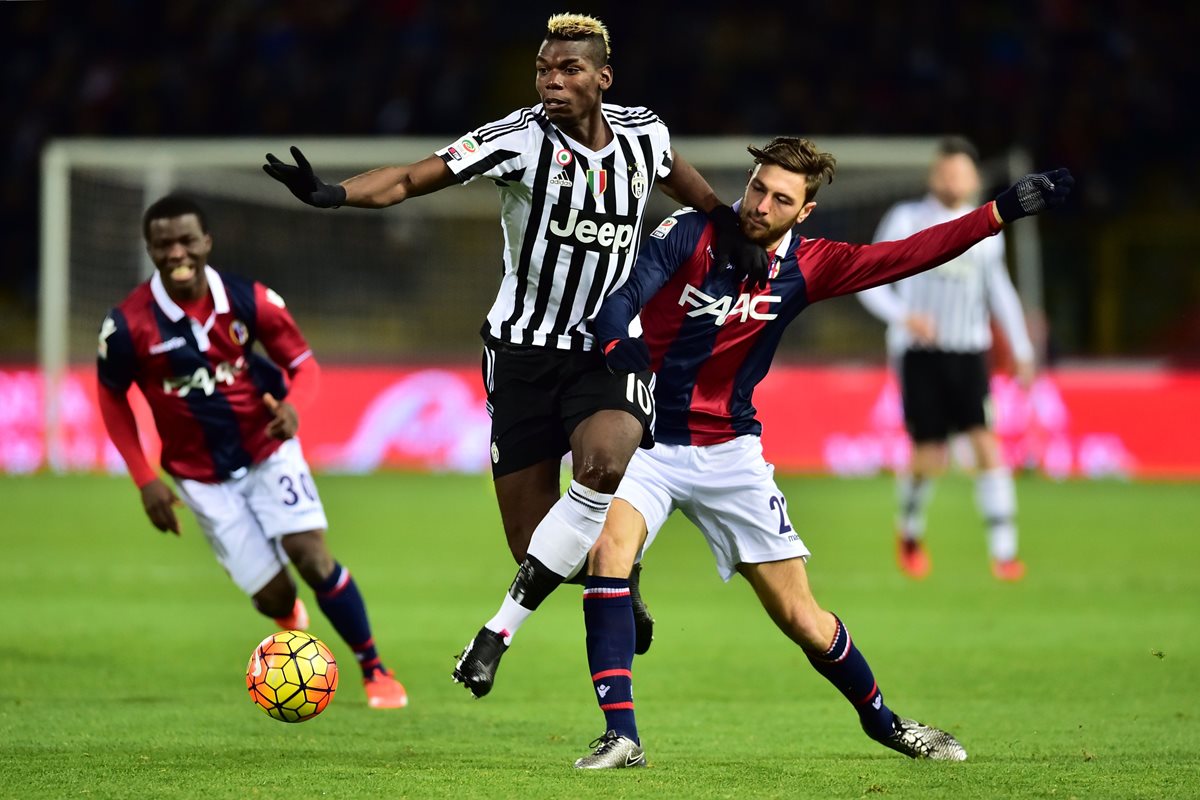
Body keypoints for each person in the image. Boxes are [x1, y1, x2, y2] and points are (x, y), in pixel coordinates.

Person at [261, 13, 765, 693]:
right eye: (543, 70)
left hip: (606, 348)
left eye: (569, 70)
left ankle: (497, 635)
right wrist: (334, 194)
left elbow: (684, 181)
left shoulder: (644, 133)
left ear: (602, 79)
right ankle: (619, 573)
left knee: (604, 461)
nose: (552, 82)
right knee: (536, 548)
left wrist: (727, 224)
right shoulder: (518, 140)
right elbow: (414, 178)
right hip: (522, 356)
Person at [571, 137, 1072, 767]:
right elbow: (623, 294)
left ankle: (885, 721)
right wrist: (618, 343)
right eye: (757, 187)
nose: (759, 205)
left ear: (803, 211)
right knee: (606, 554)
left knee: (802, 618)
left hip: (730, 453)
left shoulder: (812, 264)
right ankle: (622, 735)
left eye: (780, 198)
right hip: (647, 438)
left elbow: (908, 256)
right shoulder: (690, 231)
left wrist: (997, 212)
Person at [96, 194, 408, 710]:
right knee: (275, 597)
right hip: (200, 476)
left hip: (268, 450)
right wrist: (144, 478)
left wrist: (293, 408)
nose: (177, 253)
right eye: (164, 244)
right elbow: (111, 394)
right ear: (149, 248)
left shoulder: (250, 300)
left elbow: (304, 365)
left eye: (187, 241)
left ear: (207, 242)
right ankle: (286, 616)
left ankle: (375, 669)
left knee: (312, 555)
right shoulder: (130, 324)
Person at [857, 137, 1036, 581]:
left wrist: (1023, 347)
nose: (953, 179)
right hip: (919, 355)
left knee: (985, 443)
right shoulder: (905, 218)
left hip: (969, 351)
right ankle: (911, 531)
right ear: (933, 175)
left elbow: (999, 290)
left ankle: (1004, 552)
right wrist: (904, 317)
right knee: (928, 456)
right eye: (946, 171)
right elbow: (868, 277)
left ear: (974, 178)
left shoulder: (988, 226)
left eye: (960, 172)